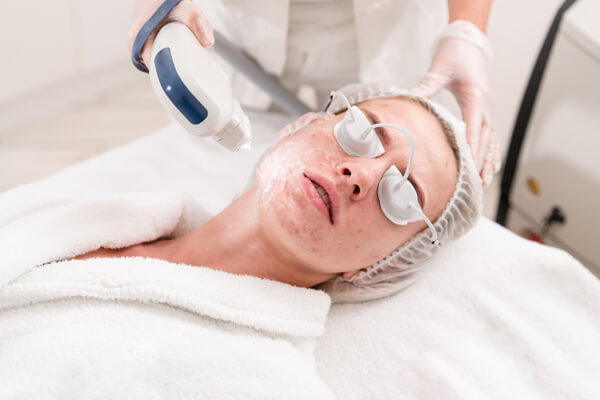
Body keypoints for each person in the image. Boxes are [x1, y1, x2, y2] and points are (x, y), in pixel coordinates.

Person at [76, 83, 482, 302]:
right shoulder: (94, 225)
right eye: (364, 132)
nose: (361, 173)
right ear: (301, 124)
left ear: (382, 265)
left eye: (402, 196)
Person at [128, 0, 500, 186]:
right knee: (224, 157)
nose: (352, 178)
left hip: (382, 28)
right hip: (245, 25)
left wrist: (467, 30)